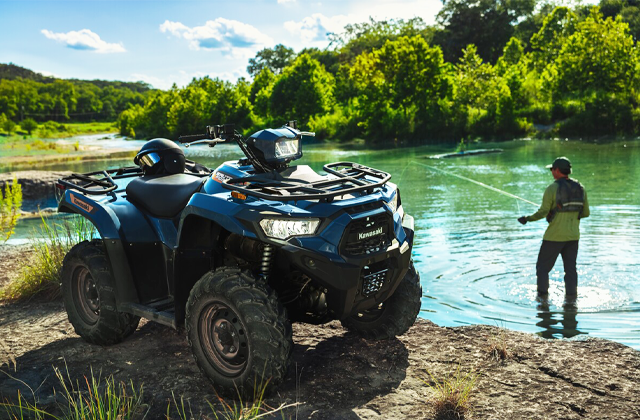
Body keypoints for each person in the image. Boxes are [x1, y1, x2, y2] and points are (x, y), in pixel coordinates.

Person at [517, 157, 590, 302]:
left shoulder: (552, 188)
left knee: (542, 269)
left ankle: (542, 300)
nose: (551, 172)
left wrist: (527, 218)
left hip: (554, 237)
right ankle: (571, 300)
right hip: (573, 237)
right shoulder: (580, 188)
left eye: (552, 169)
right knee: (570, 270)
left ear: (557, 170)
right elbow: (586, 213)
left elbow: (543, 212)